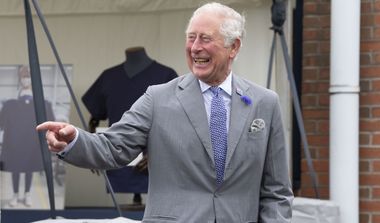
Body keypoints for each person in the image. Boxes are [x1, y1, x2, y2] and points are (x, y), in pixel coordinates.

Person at [37, 2, 293, 222]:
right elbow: (114, 147)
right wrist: (73, 141)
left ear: (233, 47)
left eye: (205, 38)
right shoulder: (157, 98)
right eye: (190, 37)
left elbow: (276, 191)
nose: (195, 47)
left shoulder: (264, 103)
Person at [82, 46, 178, 208]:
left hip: (154, 159)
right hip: (119, 153)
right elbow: (94, 119)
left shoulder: (166, 76)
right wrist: (94, 151)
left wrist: (160, 152)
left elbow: (177, 121)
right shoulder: (109, 77)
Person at [0, 65, 55, 207]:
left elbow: (51, 124)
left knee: (29, 169)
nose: (26, 79)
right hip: (14, 144)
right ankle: (15, 195)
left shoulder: (43, 103)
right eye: (23, 76)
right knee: (15, 170)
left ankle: (27, 194)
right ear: (20, 79)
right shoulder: (10, 104)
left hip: (32, 144)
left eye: (28, 76)